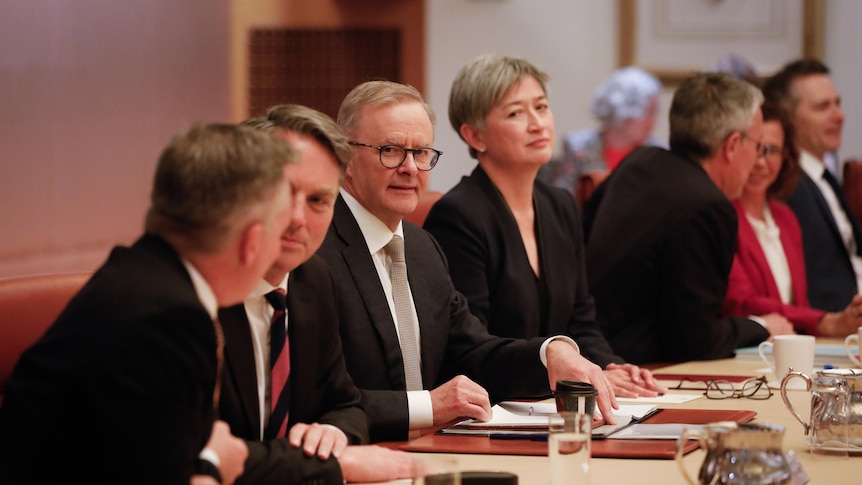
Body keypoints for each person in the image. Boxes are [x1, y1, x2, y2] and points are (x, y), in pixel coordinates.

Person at [317, 80, 624, 443]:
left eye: (420, 153)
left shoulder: (421, 247)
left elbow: (472, 351)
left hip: (437, 452)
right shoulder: (315, 249)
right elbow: (317, 398)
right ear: (345, 157)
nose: (410, 168)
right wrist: (428, 406)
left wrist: (548, 353)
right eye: (390, 150)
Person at [0, 124, 296, 484]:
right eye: (279, 229)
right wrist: (214, 460)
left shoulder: (136, 270)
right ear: (252, 243)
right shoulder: (170, 321)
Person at [423, 54, 664, 399]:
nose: (538, 123)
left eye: (541, 107)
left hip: (558, 400)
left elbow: (581, 320)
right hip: (497, 406)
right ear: (475, 136)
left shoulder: (560, 205)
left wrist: (610, 367)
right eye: (516, 113)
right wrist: (555, 363)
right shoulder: (459, 215)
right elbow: (469, 347)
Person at [219, 105, 424, 484]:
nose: (298, 218)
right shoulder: (194, 296)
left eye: (318, 201)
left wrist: (334, 434)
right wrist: (331, 464)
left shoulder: (310, 280)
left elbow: (344, 404)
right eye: (283, 192)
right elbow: (208, 454)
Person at [584, 72, 794, 365]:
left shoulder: (639, 161)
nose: (758, 158)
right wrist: (760, 326)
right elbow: (695, 342)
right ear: (732, 146)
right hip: (636, 371)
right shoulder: (708, 205)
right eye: (757, 145)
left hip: (586, 349)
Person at [723, 101, 862, 337]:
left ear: (786, 156)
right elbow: (742, 302)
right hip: (747, 351)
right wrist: (824, 321)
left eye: (772, 150)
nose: (760, 161)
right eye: (755, 148)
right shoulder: (722, 214)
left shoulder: (785, 217)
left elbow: (799, 305)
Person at [762, 58, 862, 313]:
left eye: (837, 104)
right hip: (829, 329)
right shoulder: (784, 184)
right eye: (822, 107)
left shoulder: (824, 177)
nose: (839, 116)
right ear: (788, 118)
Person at [540, 66, 661, 200]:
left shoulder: (658, 156)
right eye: (649, 112)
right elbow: (561, 200)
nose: (653, 122)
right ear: (624, 113)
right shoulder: (578, 148)